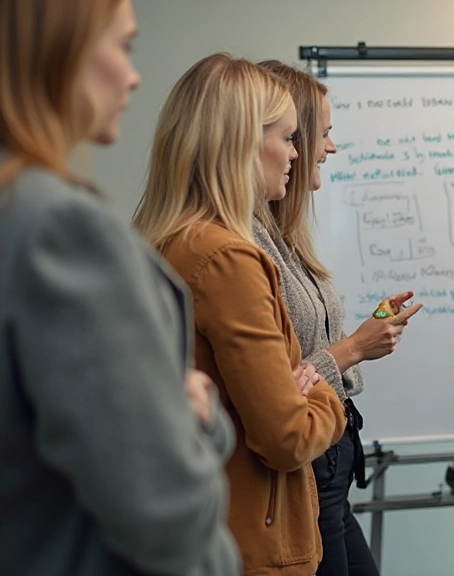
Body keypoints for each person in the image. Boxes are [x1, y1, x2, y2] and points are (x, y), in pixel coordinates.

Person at [0, 1, 239, 574]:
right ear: (61, 49)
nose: (134, 76)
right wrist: (194, 419)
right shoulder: (60, 229)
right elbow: (168, 513)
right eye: (124, 46)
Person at [133, 53, 347, 576]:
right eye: (288, 138)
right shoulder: (227, 259)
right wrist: (324, 392)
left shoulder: (162, 243)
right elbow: (288, 437)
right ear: (244, 142)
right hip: (251, 546)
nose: (296, 154)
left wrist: (299, 388)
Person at [254, 60, 423, 576]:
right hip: (307, 466)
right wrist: (354, 348)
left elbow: (305, 349)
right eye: (321, 134)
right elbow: (281, 384)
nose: (329, 148)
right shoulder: (246, 245)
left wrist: (366, 332)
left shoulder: (283, 235)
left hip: (333, 462)